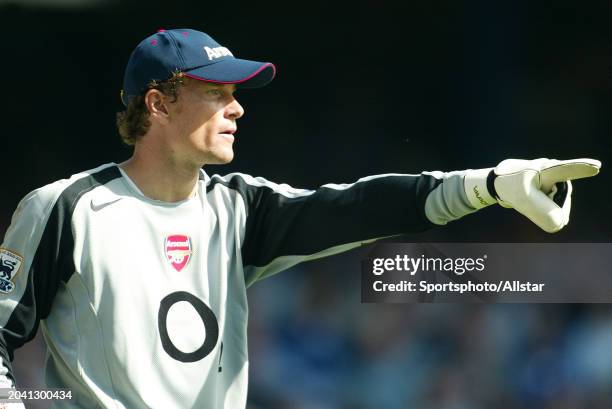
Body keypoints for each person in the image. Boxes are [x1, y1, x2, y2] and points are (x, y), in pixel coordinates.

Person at [0, 28, 600, 409]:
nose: (236, 107)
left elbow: (353, 207)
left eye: (236, 94)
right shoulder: (66, 209)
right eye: (216, 91)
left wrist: (489, 185)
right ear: (157, 104)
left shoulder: (239, 207)